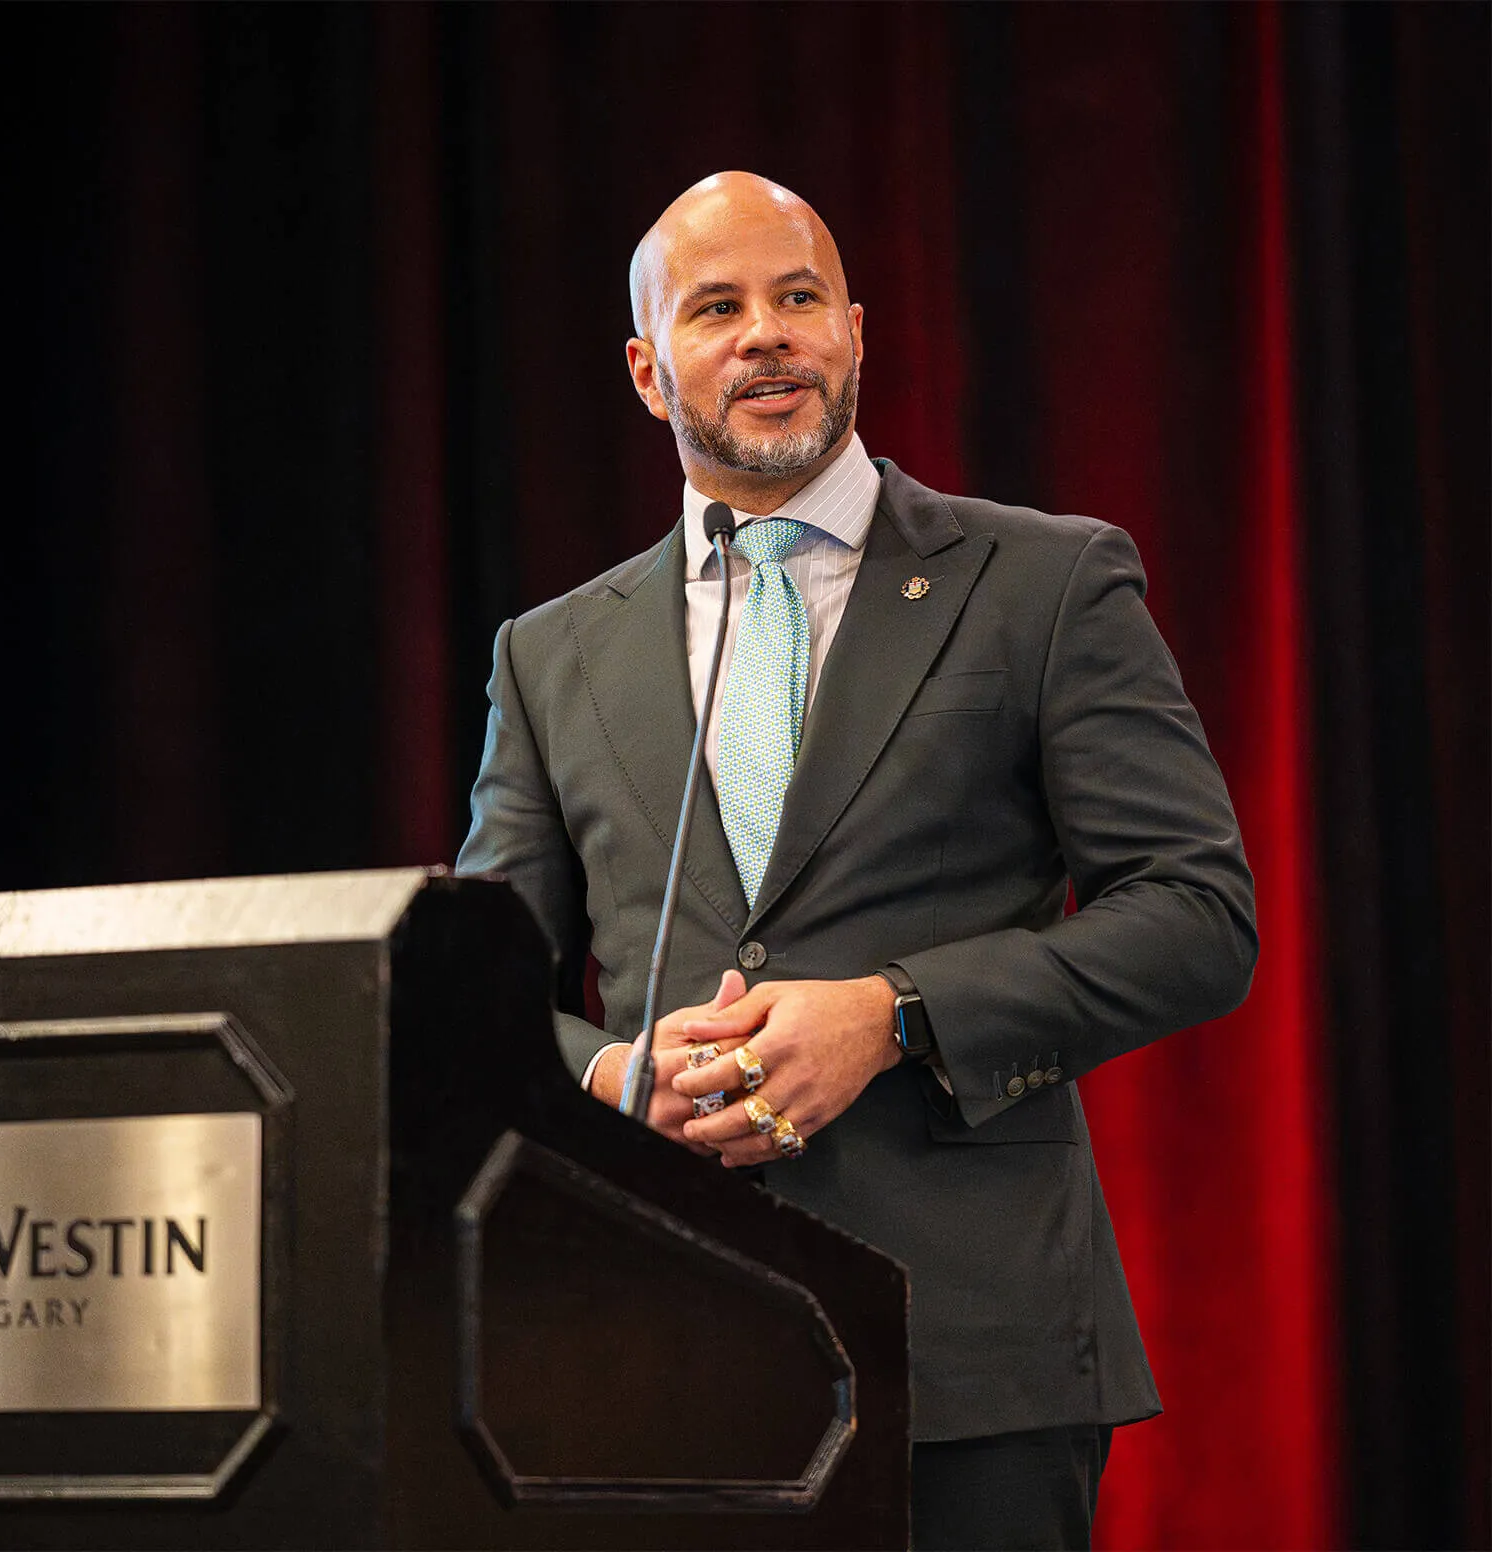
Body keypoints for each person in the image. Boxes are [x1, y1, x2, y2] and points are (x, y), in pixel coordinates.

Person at [455, 171, 1255, 1549]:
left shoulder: (1044, 584)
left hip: (972, 1362)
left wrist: (895, 1017)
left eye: (800, 296)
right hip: (655, 1342)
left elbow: (1197, 918)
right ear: (651, 373)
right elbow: (480, 989)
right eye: (718, 307)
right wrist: (606, 1072)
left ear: (858, 333)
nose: (767, 333)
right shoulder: (550, 654)